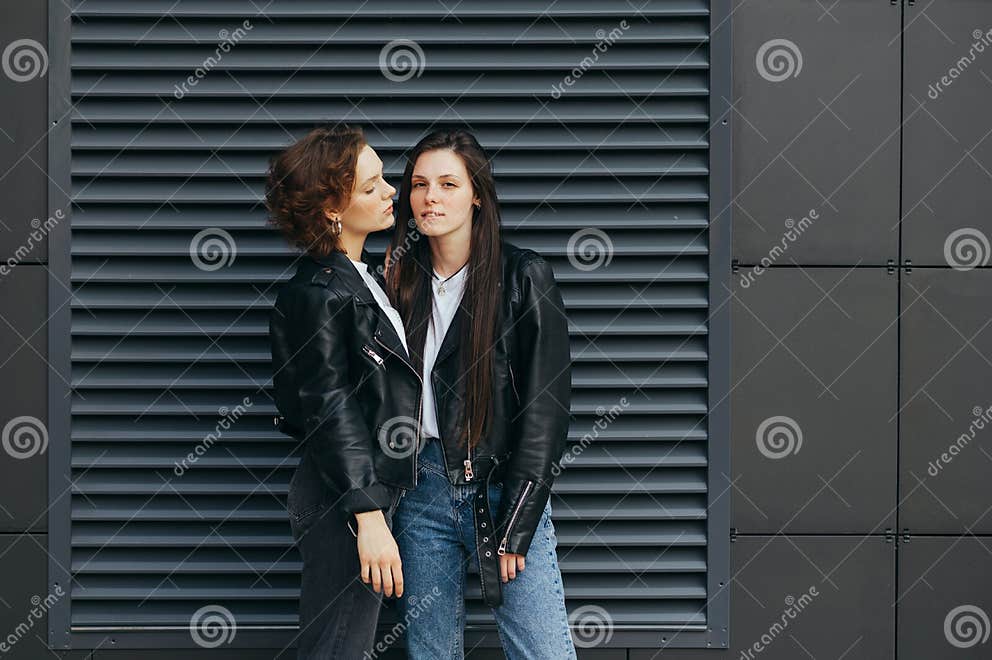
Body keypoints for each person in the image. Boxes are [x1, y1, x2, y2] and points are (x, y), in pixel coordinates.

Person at [385, 129, 576, 658]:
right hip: (419, 494)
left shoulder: (522, 275)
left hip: (499, 490)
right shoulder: (397, 281)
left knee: (542, 650)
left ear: (477, 195)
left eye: (449, 183)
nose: (431, 197)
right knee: (431, 651)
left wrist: (518, 519)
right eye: (420, 184)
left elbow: (547, 410)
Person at [267, 124, 420, 659]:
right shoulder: (319, 293)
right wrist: (368, 516)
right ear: (332, 207)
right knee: (334, 649)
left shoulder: (362, 278)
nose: (391, 192)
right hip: (346, 499)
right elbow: (329, 407)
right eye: (371, 185)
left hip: (363, 492)